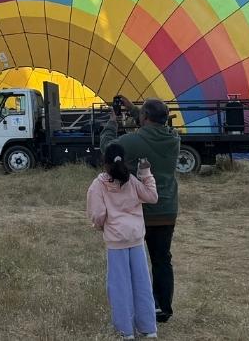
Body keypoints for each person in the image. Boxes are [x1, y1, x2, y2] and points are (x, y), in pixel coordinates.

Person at [100, 97, 181, 324]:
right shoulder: (174, 138)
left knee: (133, 262)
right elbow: (153, 123)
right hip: (167, 209)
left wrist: (111, 124)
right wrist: (134, 109)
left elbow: (109, 149)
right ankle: (163, 307)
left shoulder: (135, 140)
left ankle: (134, 307)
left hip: (139, 212)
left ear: (145, 118)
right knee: (162, 259)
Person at [87, 143, 160, 340]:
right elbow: (152, 197)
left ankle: (125, 330)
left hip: (116, 241)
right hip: (136, 239)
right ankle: (148, 328)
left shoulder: (98, 184)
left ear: (105, 163)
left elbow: (98, 215)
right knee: (142, 283)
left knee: (119, 286)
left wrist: (101, 226)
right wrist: (146, 172)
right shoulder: (132, 180)